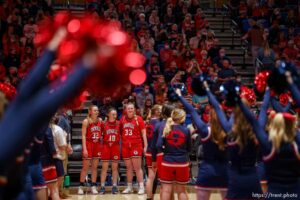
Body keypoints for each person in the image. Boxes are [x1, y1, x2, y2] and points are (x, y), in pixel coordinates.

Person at [204, 82, 262, 199]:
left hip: (234, 178)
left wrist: (206, 88)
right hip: (253, 177)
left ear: (234, 110)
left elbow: (216, 106)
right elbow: (264, 108)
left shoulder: (229, 130)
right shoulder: (256, 130)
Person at [238, 89, 300, 199]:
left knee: (261, 194)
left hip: (261, 172)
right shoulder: (295, 140)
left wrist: (268, 93)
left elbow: (254, 119)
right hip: (294, 192)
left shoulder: (266, 138)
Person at [176, 89, 228, 200]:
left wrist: (180, 96)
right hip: (225, 170)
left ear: (210, 115)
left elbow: (192, 111)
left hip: (207, 171)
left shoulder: (205, 129)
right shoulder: (229, 130)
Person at [157, 108, 191, 200]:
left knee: (166, 190)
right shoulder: (186, 130)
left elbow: (159, 145)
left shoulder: (166, 128)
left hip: (167, 162)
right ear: (182, 118)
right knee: (182, 191)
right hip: (182, 163)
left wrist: (166, 152)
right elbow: (189, 148)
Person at [120, 103, 147, 195]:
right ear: (126, 110)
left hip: (136, 145)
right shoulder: (122, 119)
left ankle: (141, 187)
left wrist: (145, 145)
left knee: (137, 168)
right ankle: (129, 187)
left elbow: (143, 133)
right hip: (125, 146)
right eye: (128, 108)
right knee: (129, 168)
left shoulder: (139, 119)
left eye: (132, 108)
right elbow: (120, 132)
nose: (130, 110)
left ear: (134, 109)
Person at [78, 105, 102, 195]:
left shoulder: (100, 121)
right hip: (88, 145)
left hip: (97, 145)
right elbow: (83, 136)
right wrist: (84, 149)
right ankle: (80, 186)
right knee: (85, 167)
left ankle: (93, 186)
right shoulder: (86, 121)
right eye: (95, 110)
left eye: (97, 110)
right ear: (90, 111)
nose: (97, 112)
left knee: (94, 168)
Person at [99, 108, 120, 195]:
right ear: (108, 114)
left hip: (115, 146)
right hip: (106, 146)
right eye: (113, 114)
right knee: (104, 168)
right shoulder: (103, 124)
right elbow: (100, 136)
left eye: (115, 114)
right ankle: (102, 186)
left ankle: (114, 186)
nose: (115, 115)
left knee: (115, 168)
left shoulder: (119, 123)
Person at [145, 105, 162, 200]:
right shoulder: (158, 123)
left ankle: (149, 197)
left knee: (150, 177)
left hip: (148, 151)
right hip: (155, 152)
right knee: (161, 178)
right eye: (160, 110)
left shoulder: (149, 122)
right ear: (156, 112)